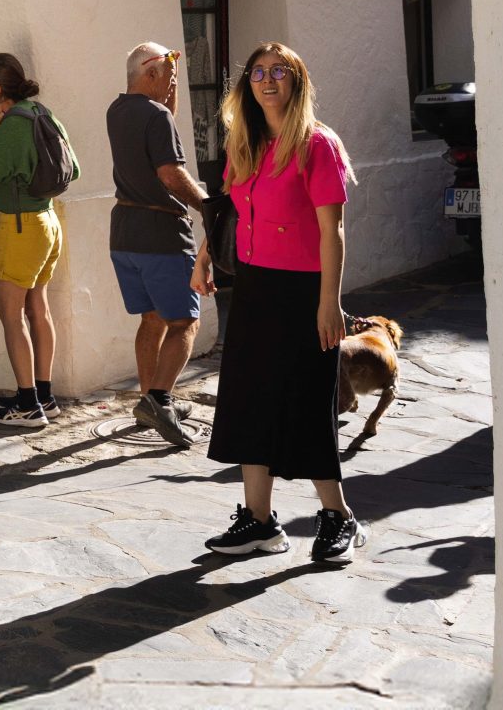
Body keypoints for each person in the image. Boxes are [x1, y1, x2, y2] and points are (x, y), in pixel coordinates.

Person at [195, 40, 367, 568]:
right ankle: (260, 522)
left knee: (307, 404)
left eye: (280, 72)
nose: (267, 81)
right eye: (258, 72)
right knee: (248, 400)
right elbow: (231, 210)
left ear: (297, 82)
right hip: (253, 287)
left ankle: (338, 516)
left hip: (303, 292)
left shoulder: (317, 145)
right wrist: (204, 256)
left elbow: (331, 229)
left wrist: (328, 303)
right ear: (247, 84)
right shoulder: (245, 142)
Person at [108, 39, 211, 451]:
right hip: (160, 234)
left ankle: (147, 399)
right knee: (186, 322)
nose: (173, 84)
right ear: (150, 74)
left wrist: (167, 100)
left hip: (125, 233)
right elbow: (170, 173)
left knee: (152, 319)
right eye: (168, 76)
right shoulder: (155, 116)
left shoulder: (118, 109)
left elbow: (157, 127)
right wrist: (207, 206)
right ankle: (161, 400)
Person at [0, 51, 66, 430]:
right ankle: (44, 395)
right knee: (38, 309)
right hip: (47, 220)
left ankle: (27, 404)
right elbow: (72, 166)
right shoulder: (41, 113)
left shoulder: (11, 125)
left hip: (20, 226)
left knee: (11, 314)